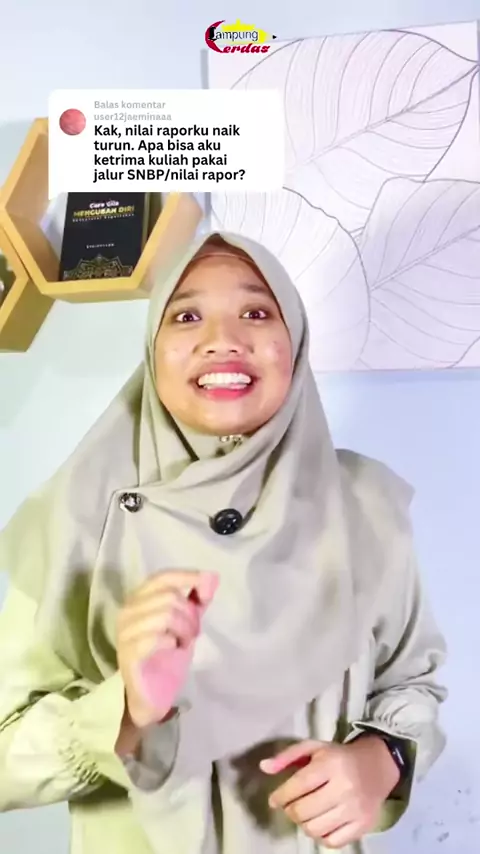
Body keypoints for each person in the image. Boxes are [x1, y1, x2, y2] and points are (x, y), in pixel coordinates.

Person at [0, 231, 447, 854]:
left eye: (256, 312)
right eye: (186, 316)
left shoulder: (362, 504)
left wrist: (383, 759)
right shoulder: (76, 515)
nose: (223, 340)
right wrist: (124, 710)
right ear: (152, 347)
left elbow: (410, 683)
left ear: (296, 338)